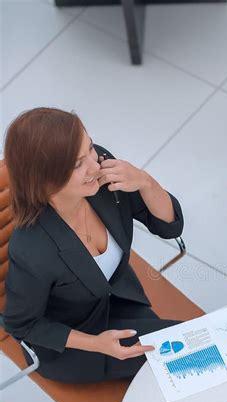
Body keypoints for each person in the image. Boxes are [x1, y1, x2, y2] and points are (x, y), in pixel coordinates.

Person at [3, 107, 183, 385]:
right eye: (77, 164)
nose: (95, 165)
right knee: (189, 349)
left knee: (189, 349)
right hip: (78, 341)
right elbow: (22, 324)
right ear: (44, 180)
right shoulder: (32, 249)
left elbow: (168, 226)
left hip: (119, 298)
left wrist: (145, 182)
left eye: (89, 148)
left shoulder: (101, 173)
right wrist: (96, 344)